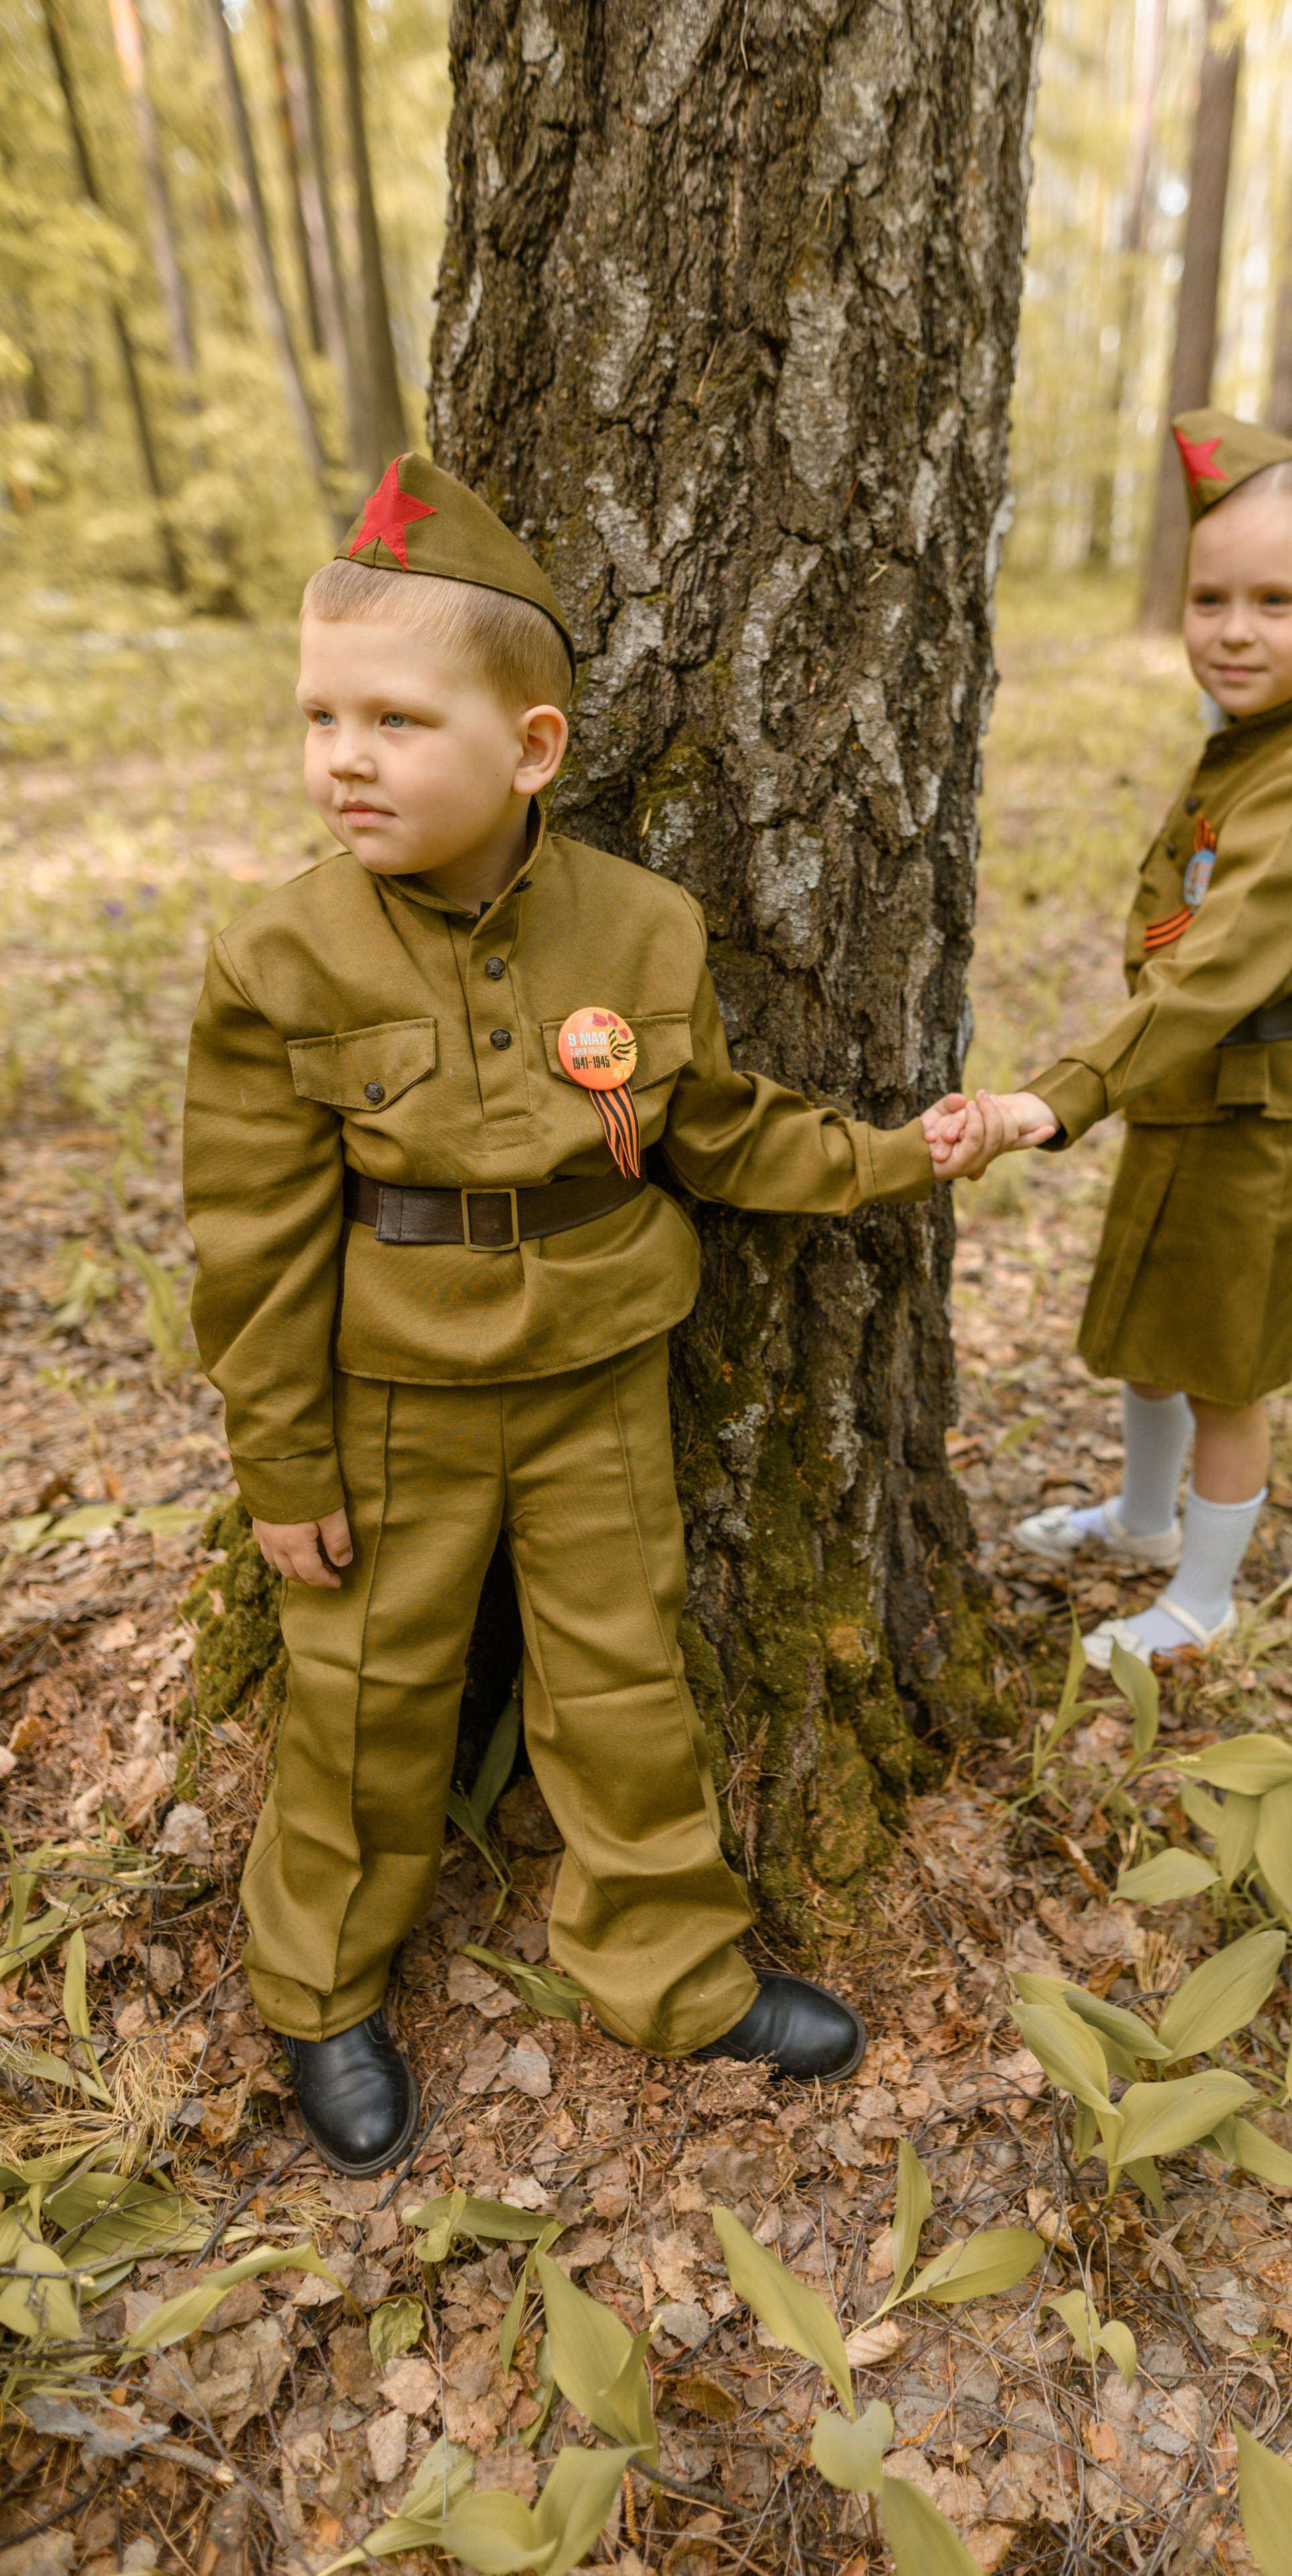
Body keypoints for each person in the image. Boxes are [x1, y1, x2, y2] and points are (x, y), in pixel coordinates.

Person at [183, 453, 1014, 2175]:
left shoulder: (637, 928)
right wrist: (282, 1461)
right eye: (321, 715)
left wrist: (887, 1159)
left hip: (595, 1373)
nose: (345, 757)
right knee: (365, 1693)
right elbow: (252, 1239)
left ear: (531, 748)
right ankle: (320, 1985)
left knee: (623, 1677)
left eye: (398, 722)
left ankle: (671, 1964)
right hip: (392, 1386)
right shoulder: (278, 960)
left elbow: (713, 1127)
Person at [938, 410, 1292, 1675]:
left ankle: (1200, 1600)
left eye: (1275, 600)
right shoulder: (1249, 745)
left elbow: (1223, 965)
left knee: (1225, 1366)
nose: (1235, 629)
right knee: (1153, 1325)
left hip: (1258, 1112)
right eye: (1211, 597)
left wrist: (1056, 1098)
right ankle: (1141, 1521)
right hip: (1193, 1092)